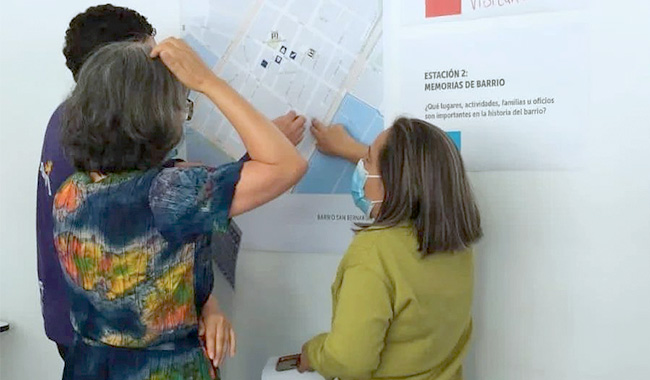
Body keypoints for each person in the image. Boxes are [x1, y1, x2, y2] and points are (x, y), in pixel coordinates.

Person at [37, 3, 305, 361]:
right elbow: (285, 165)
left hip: (92, 359)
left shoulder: (76, 188)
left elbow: (147, 245)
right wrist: (208, 82)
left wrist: (206, 303)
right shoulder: (167, 195)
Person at [298, 118, 483, 380]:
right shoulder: (456, 243)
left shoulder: (375, 252)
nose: (361, 167)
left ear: (393, 182)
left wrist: (314, 352)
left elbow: (349, 361)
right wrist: (347, 147)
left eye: (368, 161)